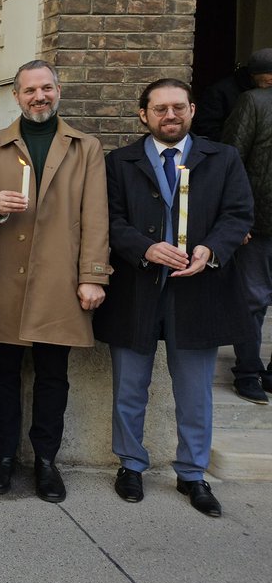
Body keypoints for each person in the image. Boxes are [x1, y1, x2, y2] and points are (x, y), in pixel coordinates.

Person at [96, 79, 253, 517]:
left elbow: (238, 213)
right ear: (143, 114)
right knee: (130, 387)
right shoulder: (119, 162)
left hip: (199, 290)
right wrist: (142, 247)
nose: (171, 115)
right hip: (137, 289)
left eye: (178, 108)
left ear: (192, 110)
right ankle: (130, 465)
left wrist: (212, 250)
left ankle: (192, 473)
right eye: (160, 108)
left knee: (195, 391)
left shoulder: (223, 158)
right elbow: (108, 219)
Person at [0, 60, 111, 502]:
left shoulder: (86, 148)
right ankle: (4, 457)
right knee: (2, 373)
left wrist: (92, 276)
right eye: (30, 91)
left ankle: (46, 461)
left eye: (46, 88)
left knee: (53, 374)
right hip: (5, 277)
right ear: (16, 96)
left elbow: (96, 216)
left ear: (58, 89)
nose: (39, 97)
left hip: (59, 279)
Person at [222, 47, 272, 403]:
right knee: (252, 300)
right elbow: (232, 160)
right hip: (259, 221)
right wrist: (238, 217)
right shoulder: (254, 103)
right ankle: (248, 370)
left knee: (253, 299)